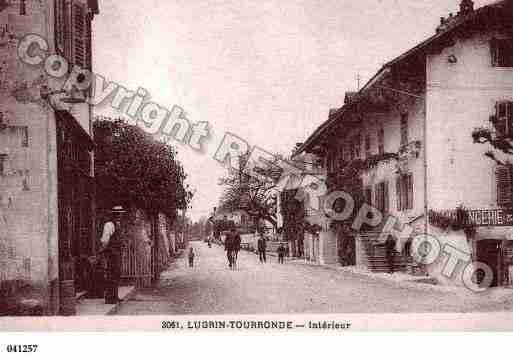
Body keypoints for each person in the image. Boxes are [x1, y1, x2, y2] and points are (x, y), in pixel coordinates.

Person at [99, 205, 126, 304]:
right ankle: (109, 298)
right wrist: (102, 251)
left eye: (121, 214)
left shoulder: (118, 224)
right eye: (118, 214)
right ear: (115, 214)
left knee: (117, 274)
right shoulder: (109, 225)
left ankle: (115, 296)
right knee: (111, 274)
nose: (120, 216)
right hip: (111, 253)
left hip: (117, 253)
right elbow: (105, 240)